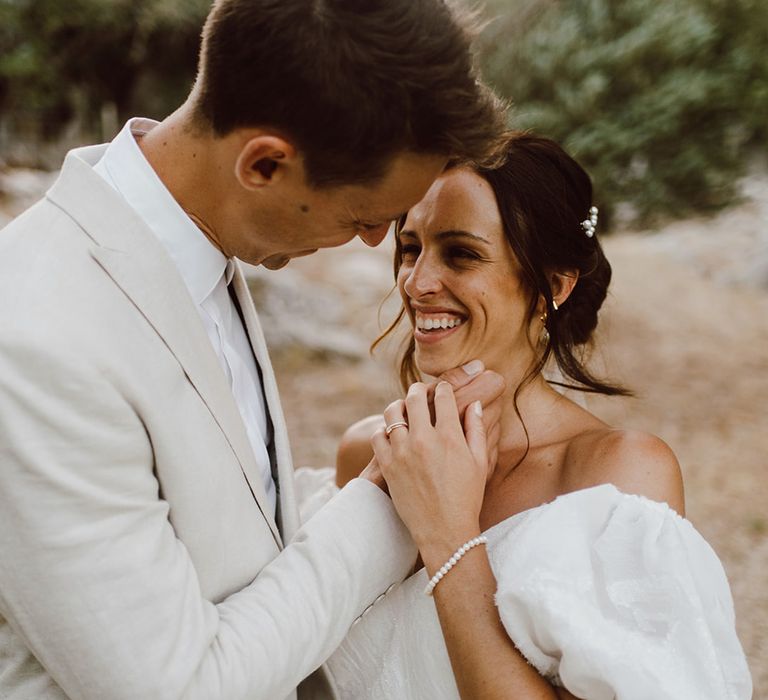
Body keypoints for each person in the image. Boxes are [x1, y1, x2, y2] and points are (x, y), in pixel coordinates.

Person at [0, 1, 509, 699]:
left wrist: (383, 467)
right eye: (365, 217)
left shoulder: (196, 249)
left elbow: (223, 524)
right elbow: (176, 687)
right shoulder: (35, 339)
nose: (371, 243)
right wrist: (393, 504)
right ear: (265, 164)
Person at [322, 132, 753, 699]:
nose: (418, 283)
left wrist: (446, 532)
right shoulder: (369, 453)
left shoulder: (614, 479)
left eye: (461, 253)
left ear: (552, 284)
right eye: (411, 247)